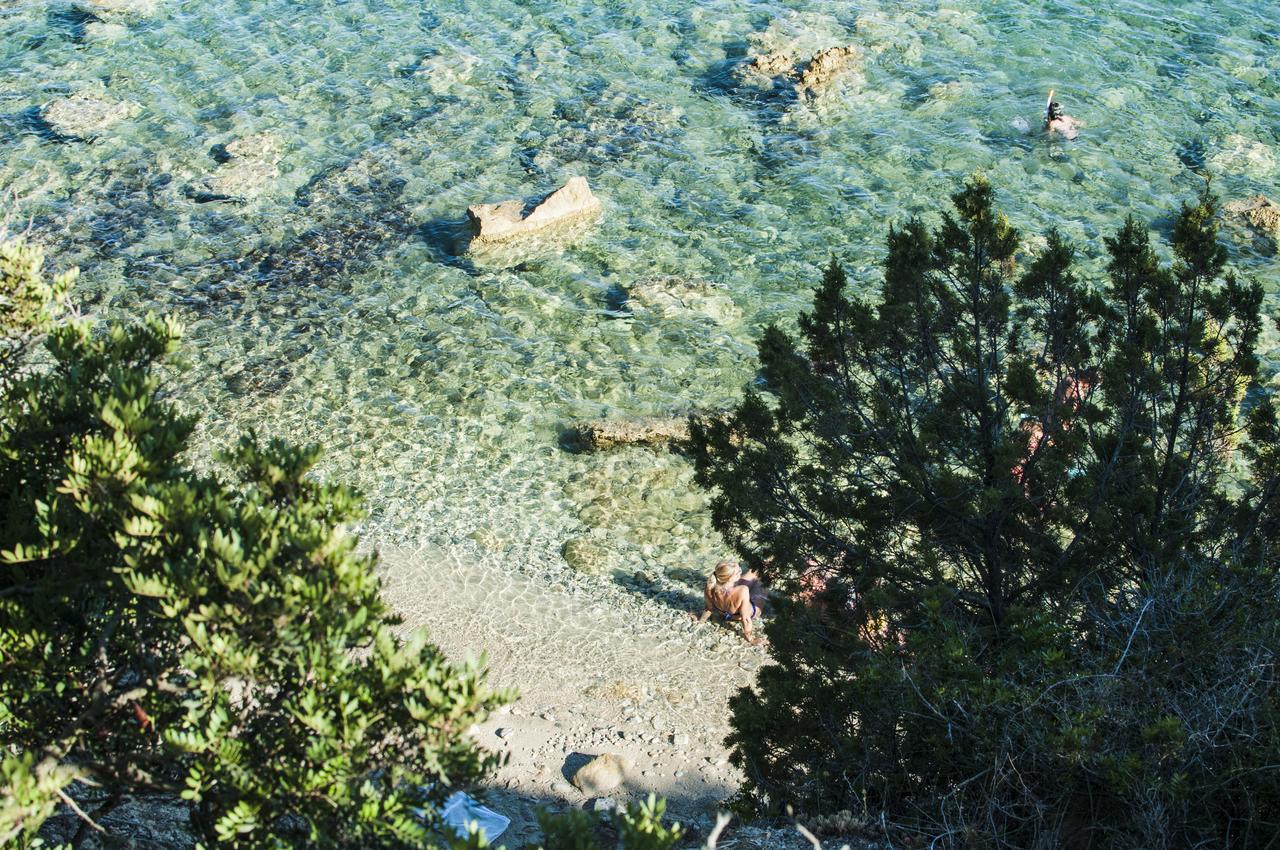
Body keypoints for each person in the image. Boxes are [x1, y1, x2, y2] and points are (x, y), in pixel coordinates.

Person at [693, 559, 766, 645]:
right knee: (764, 580)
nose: (741, 572)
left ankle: (766, 561)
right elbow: (746, 619)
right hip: (749, 612)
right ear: (730, 578)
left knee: (754, 571)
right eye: (738, 571)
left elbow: (708, 608)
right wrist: (751, 639)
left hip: (724, 613)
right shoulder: (743, 590)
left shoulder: (710, 585)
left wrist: (701, 621)